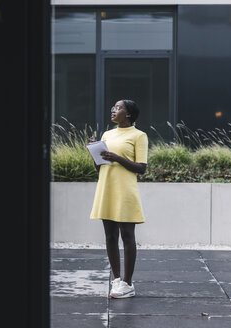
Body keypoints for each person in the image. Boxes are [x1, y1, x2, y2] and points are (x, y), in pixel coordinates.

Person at [89, 99, 148, 299]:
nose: (113, 110)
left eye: (118, 107)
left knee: (127, 236)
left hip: (125, 190)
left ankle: (128, 283)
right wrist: (94, 153)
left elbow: (141, 168)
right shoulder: (107, 134)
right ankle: (116, 280)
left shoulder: (139, 136)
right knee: (110, 236)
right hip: (107, 188)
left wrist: (117, 158)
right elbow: (100, 167)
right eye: (113, 107)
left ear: (128, 114)